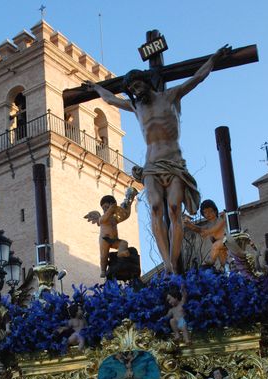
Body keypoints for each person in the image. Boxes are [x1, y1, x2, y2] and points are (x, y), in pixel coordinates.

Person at [84, 46, 231, 273]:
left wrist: (214, 58)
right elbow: (111, 100)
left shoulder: (170, 96)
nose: (135, 89)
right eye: (132, 88)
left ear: (146, 82)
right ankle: (169, 265)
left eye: (137, 84)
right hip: (151, 166)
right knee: (155, 208)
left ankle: (173, 260)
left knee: (173, 209)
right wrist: (95, 87)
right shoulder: (135, 106)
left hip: (173, 164)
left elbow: (197, 78)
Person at [84, 194, 132, 278]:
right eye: (103, 208)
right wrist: (112, 208)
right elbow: (106, 216)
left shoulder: (114, 219)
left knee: (124, 243)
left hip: (114, 240)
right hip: (104, 240)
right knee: (104, 255)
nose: (105, 209)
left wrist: (129, 204)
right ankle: (103, 270)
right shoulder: (102, 218)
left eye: (106, 207)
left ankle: (121, 252)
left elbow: (125, 216)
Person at [184, 199, 228, 268]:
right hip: (221, 246)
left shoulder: (220, 219)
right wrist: (190, 225)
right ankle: (225, 267)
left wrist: (207, 232)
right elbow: (199, 229)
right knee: (222, 258)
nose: (208, 214)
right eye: (205, 212)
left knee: (215, 246)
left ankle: (211, 260)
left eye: (210, 211)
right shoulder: (208, 226)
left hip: (226, 240)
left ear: (215, 210)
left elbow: (217, 227)